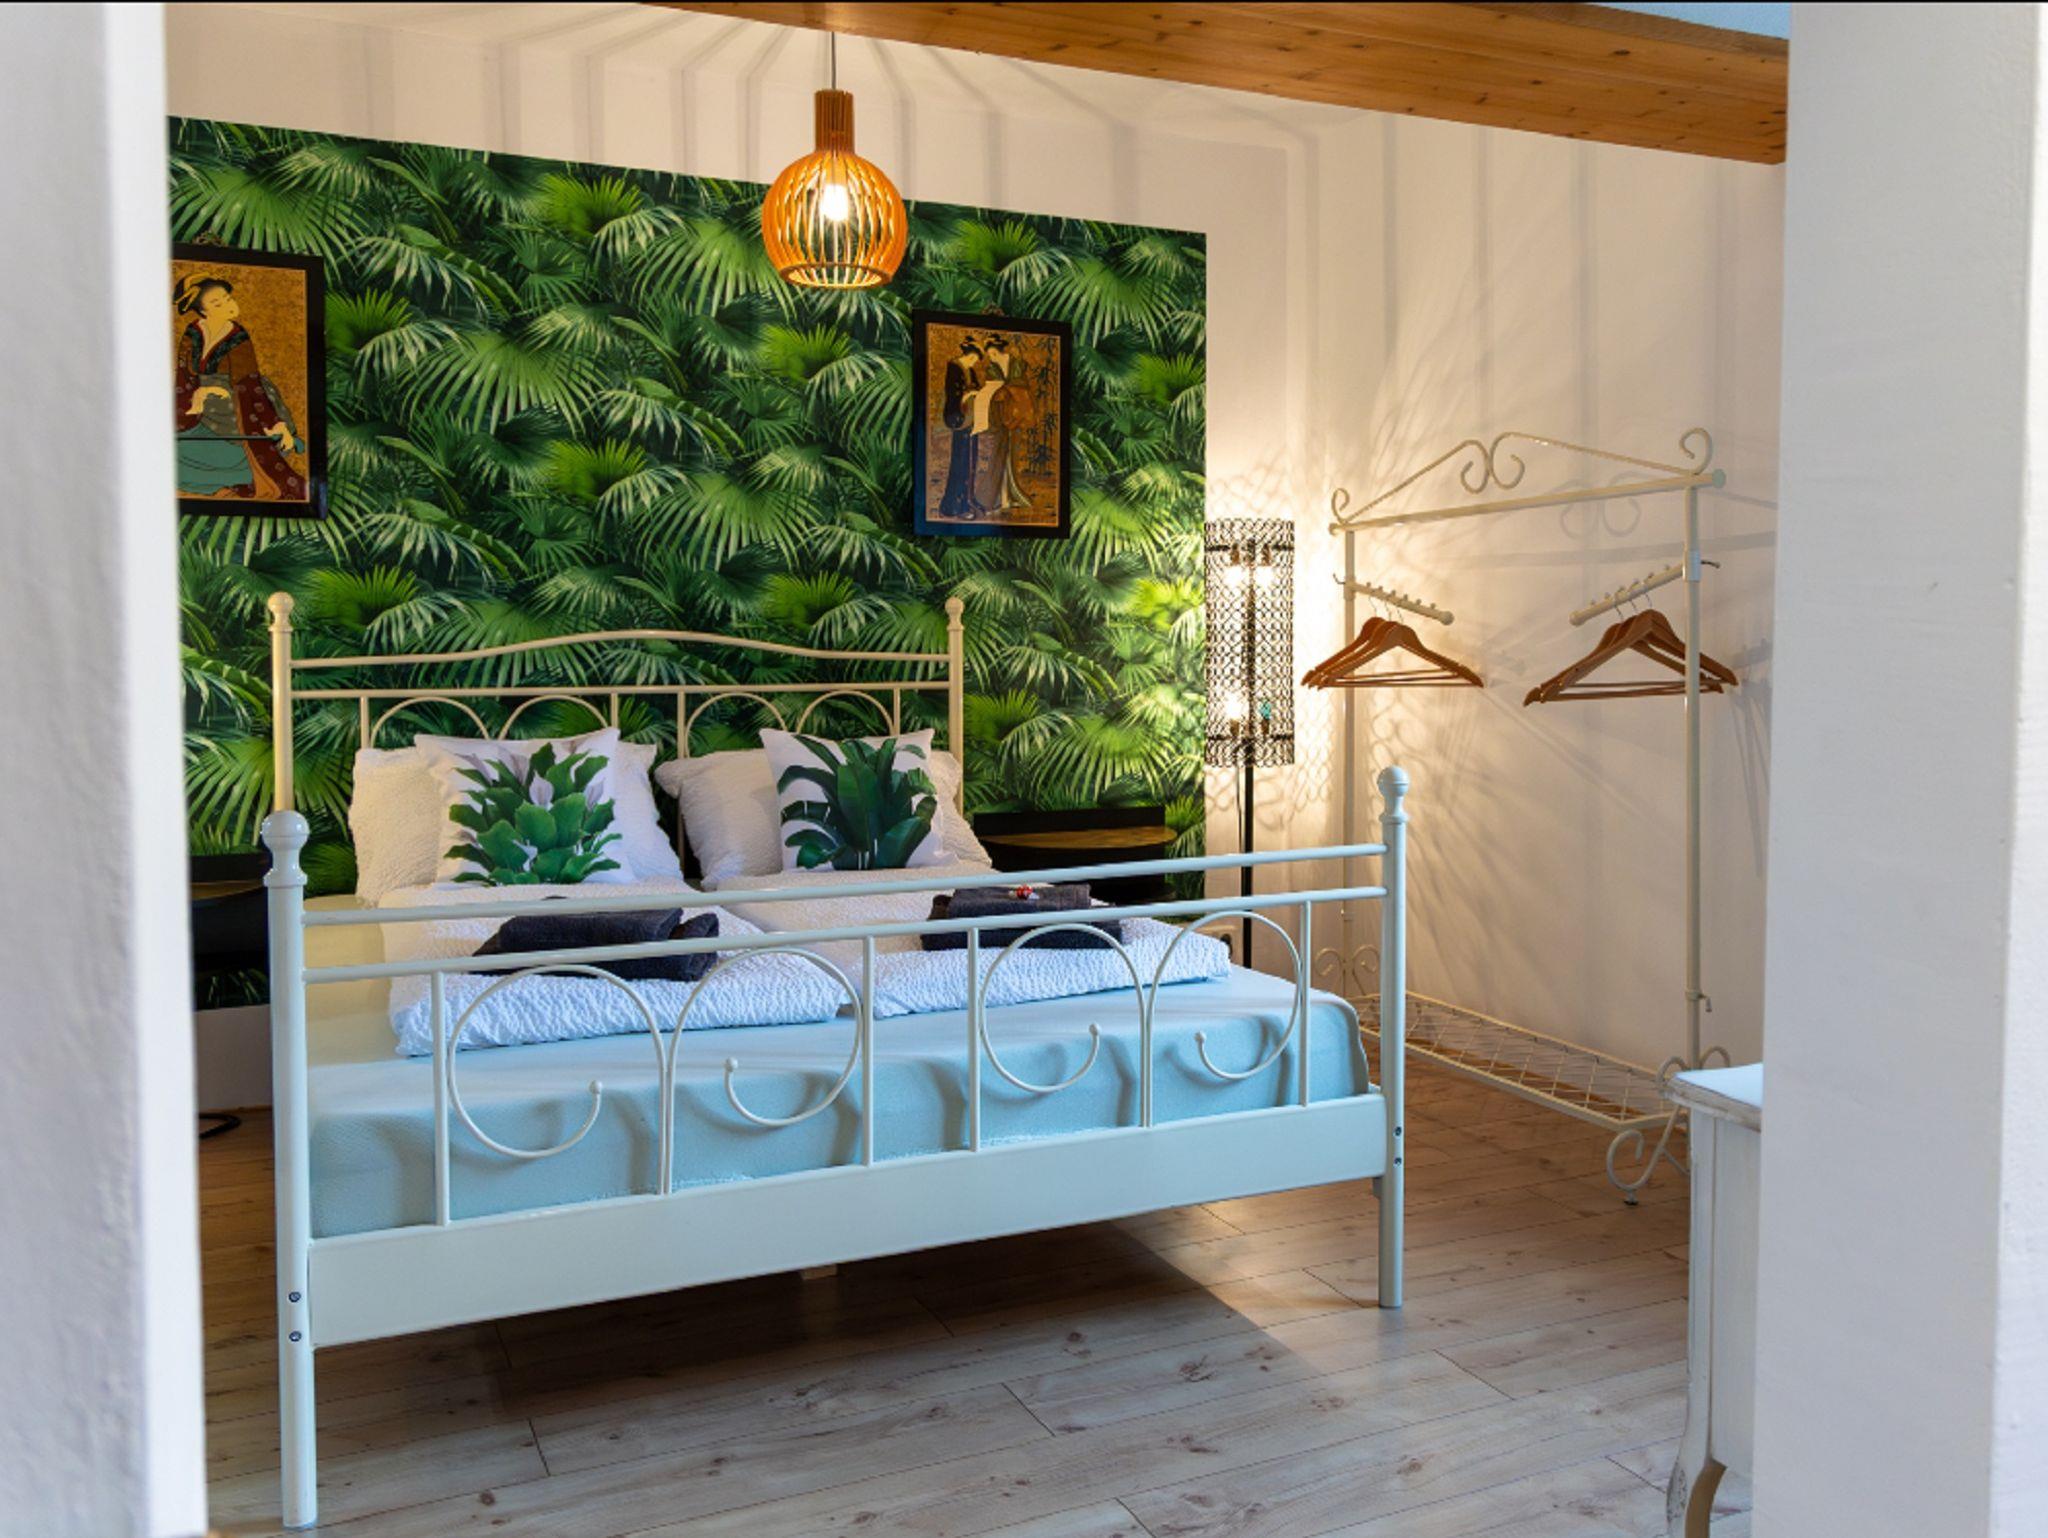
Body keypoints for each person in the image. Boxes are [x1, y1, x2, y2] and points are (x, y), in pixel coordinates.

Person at [174, 274, 306, 502]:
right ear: (203, 311)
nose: (228, 305)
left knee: (250, 455)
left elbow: (249, 385)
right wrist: (194, 400)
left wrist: (275, 423)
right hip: (197, 402)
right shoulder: (193, 332)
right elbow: (183, 375)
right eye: (217, 303)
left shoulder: (238, 337)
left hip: (236, 403)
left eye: (227, 298)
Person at [966, 333, 1035, 517]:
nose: (991, 358)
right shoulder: (992, 368)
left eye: (992, 354)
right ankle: (995, 498)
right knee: (998, 453)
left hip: (1015, 413)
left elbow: (1022, 387)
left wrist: (1006, 389)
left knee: (1011, 454)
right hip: (999, 415)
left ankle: (1008, 495)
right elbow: (992, 389)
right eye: (990, 355)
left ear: (998, 351)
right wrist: (994, 392)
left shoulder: (1017, 364)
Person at [937, 334, 983, 519]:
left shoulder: (970, 370)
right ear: (969, 355)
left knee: (971, 461)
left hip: (971, 419)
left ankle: (967, 500)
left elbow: (976, 388)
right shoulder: (955, 368)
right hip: (960, 418)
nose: (974, 362)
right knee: (960, 462)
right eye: (974, 358)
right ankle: (954, 506)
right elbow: (953, 395)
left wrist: (977, 393)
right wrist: (968, 395)